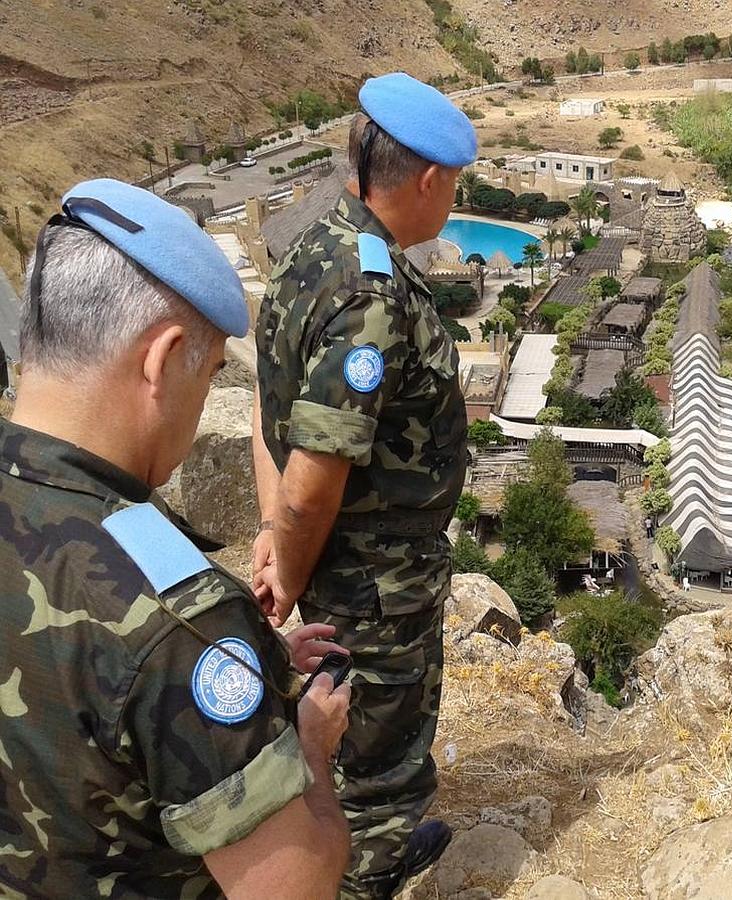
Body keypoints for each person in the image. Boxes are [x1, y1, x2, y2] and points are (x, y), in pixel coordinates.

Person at [0, 178, 352, 898]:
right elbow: (293, 885)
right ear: (161, 361)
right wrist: (307, 745)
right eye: (212, 370)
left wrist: (249, 671)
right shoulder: (182, 624)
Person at [252, 72, 475, 898]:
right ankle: (363, 876)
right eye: (454, 184)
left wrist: (276, 537)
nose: (452, 198)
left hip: (347, 564)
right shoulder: (371, 298)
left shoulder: (315, 247)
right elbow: (316, 476)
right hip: (376, 578)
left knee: (350, 737)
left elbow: (269, 407)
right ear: (427, 181)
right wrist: (291, 556)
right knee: (380, 765)